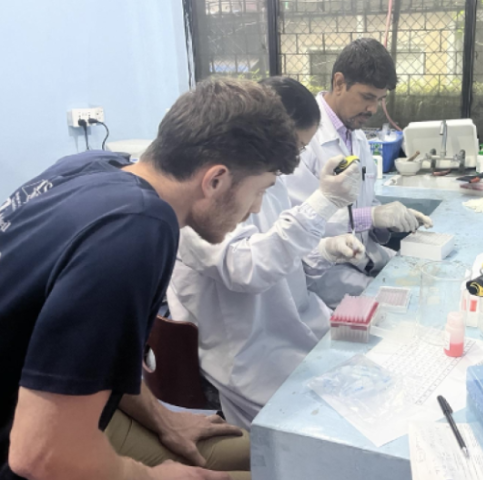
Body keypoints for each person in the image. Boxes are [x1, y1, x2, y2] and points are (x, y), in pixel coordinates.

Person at [0, 78, 307, 480]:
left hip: (56, 406)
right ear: (215, 180)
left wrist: (164, 419)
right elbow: (39, 455)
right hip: (29, 443)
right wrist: (149, 476)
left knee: (270, 455)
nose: (256, 209)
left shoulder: (92, 166)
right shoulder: (136, 231)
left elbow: (85, 359)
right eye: (260, 191)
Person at [166, 76, 364, 429]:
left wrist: (325, 250)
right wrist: (323, 202)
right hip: (250, 354)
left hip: (290, 329)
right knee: (329, 433)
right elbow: (247, 267)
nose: (294, 161)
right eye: (296, 148)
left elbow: (279, 254)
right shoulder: (199, 199)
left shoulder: (266, 182)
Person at [285, 38, 433, 308]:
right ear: (339, 83)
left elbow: (363, 203)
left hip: (364, 259)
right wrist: (370, 216)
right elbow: (302, 223)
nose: (373, 109)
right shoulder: (303, 140)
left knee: (427, 284)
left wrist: (388, 219)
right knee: (403, 309)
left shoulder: (357, 135)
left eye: (380, 100)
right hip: (326, 274)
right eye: (367, 97)